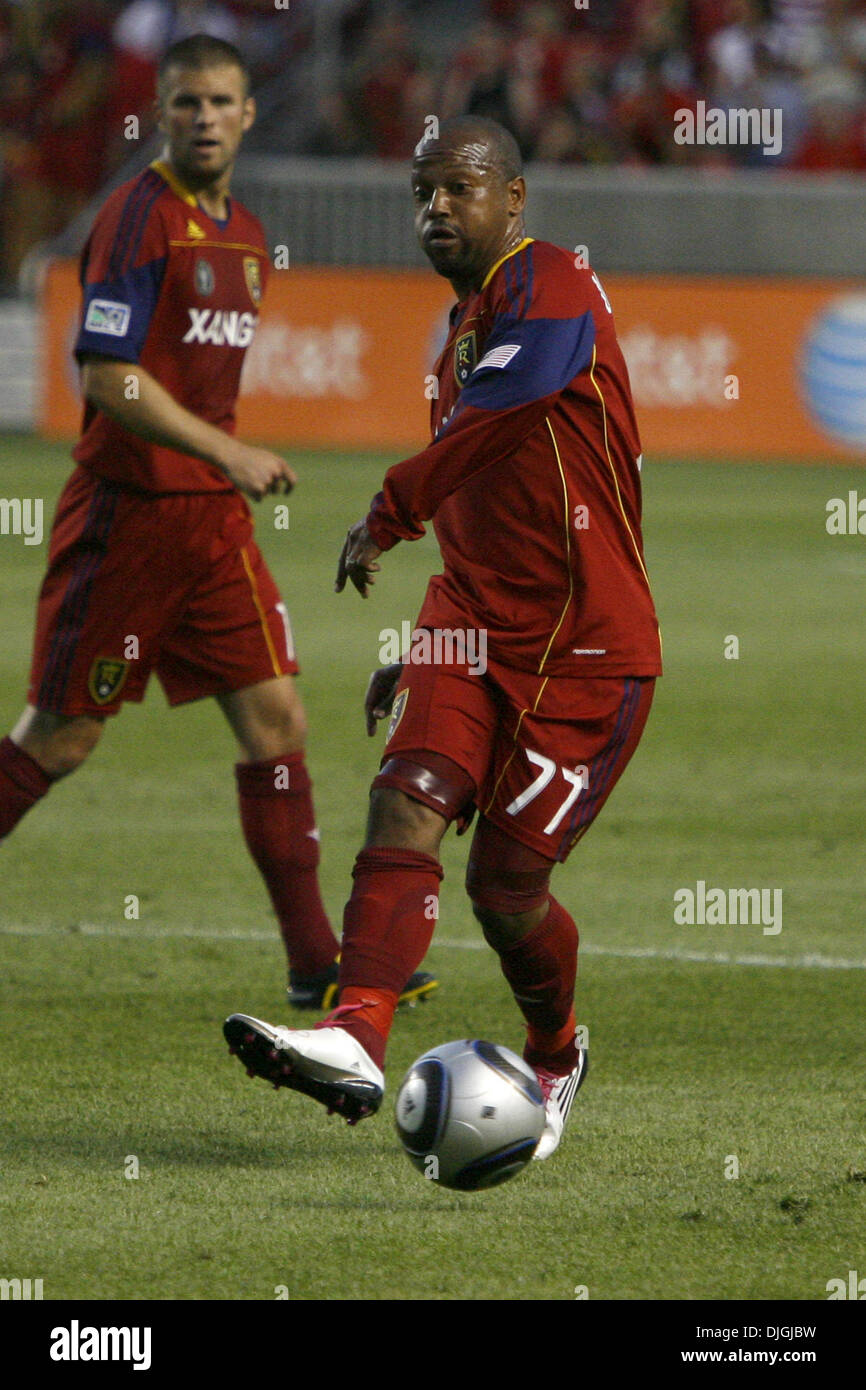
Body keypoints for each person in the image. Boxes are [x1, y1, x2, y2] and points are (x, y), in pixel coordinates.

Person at [224, 115, 661, 1158]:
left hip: (585, 650)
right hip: (468, 625)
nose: (435, 208)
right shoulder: (453, 336)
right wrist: (414, 651)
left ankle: (553, 1053)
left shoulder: (550, 281)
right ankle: (356, 1036)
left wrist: (388, 507)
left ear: (511, 199)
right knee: (401, 801)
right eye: (421, 192)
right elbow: (483, 491)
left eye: (459, 188)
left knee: (504, 890)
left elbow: (510, 404)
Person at [0, 32, 436, 1014]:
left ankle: (314, 956)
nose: (204, 118)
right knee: (60, 742)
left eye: (221, 103)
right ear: (164, 113)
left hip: (212, 534)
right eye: (187, 102)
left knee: (277, 718)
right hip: (128, 520)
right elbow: (107, 377)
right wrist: (227, 451)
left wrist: (218, 468)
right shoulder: (135, 219)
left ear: (247, 114)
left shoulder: (244, 233)